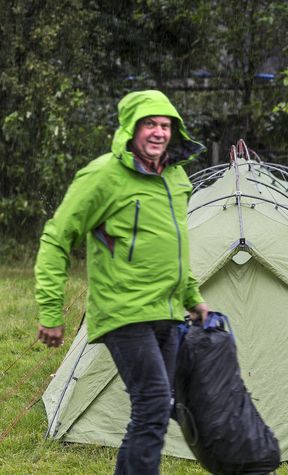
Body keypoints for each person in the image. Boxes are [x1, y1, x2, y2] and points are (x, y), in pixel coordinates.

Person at [35, 90, 210, 474]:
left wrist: (192, 297)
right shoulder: (103, 175)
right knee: (151, 404)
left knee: (156, 407)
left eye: (166, 125)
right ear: (131, 129)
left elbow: (174, 247)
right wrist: (50, 311)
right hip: (123, 309)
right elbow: (56, 237)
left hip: (165, 309)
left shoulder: (176, 178)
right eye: (150, 124)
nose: (159, 132)